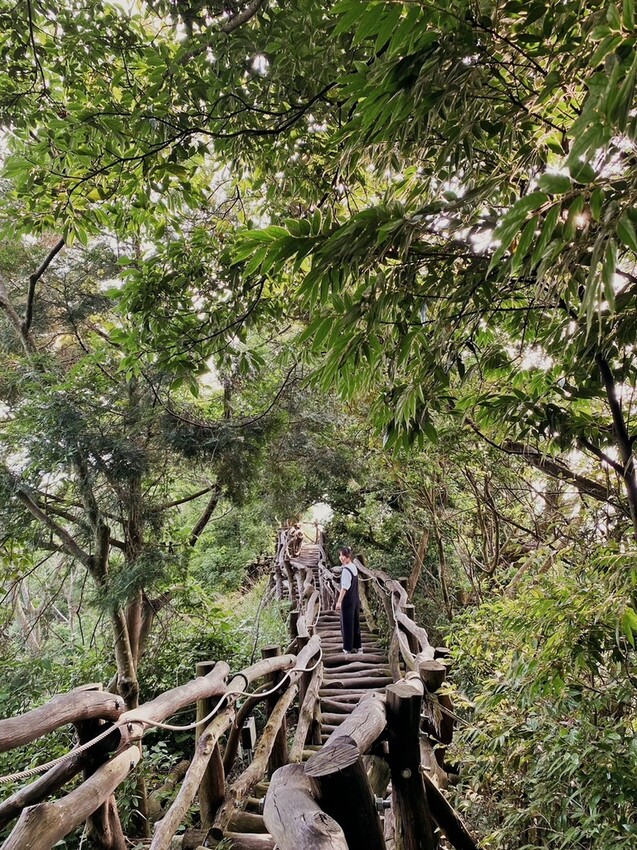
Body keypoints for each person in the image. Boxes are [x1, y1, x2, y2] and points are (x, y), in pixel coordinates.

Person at [335, 545, 362, 654]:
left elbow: (344, 588)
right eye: (340, 555)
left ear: (348, 556)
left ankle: (347, 647)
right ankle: (357, 646)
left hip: (348, 600)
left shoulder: (346, 570)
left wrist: (339, 601)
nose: (341, 558)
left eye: (343, 556)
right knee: (355, 622)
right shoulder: (353, 567)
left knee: (346, 623)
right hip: (355, 599)